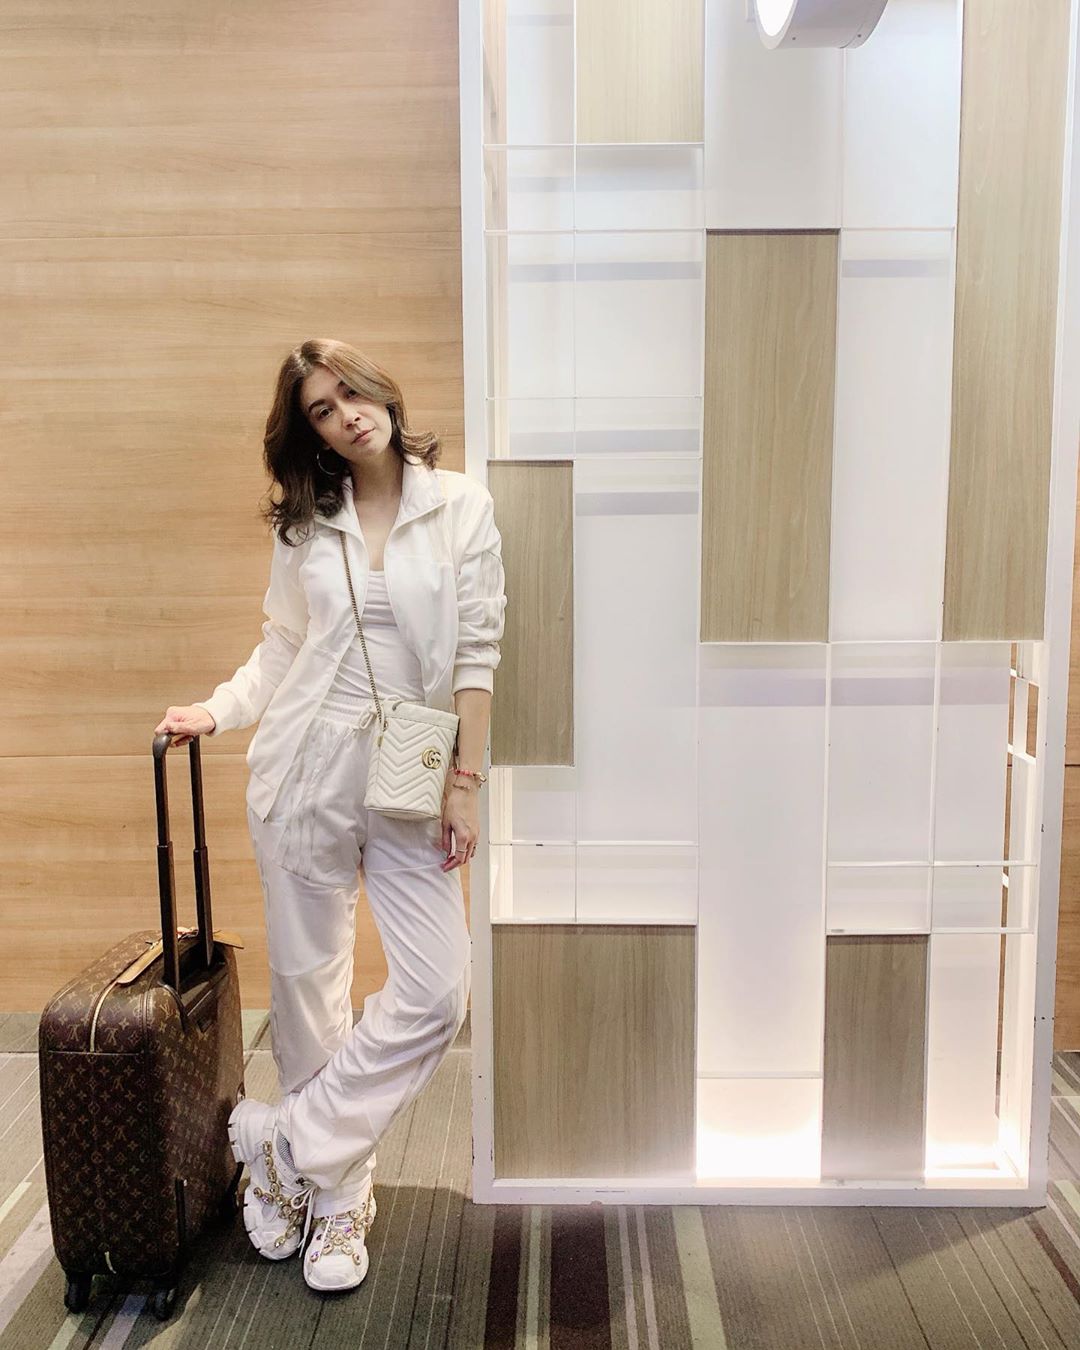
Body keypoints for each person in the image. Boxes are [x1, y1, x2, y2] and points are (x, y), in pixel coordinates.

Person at [154, 337, 506, 1293]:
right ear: (310, 432)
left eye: (353, 392)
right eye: (321, 408)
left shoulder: (459, 505)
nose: (347, 413)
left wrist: (465, 784)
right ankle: (338, 1198)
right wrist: (218, 710)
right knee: (310, 995)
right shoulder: (307, 523)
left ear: (383, 393)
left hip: (411, 776)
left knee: (437, 992)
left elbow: (476, 654)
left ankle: (287, 1145)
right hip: (304, 772)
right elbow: (282, 643)